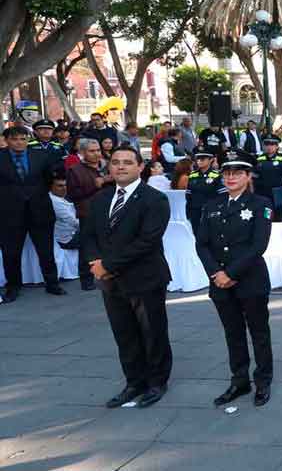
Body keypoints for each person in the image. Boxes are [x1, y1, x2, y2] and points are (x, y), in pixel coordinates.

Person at [80, 145, 172, 408]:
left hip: (145, 278)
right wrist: (95, 262)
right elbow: (88, 235)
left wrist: (107, 264)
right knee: (124, 333)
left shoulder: (155, 199)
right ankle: (134, 382)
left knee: (152, 332)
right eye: (116, 162)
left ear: (140, 167)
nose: (121, 167)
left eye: (127, 162)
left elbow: (147, 241)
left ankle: (156, 382)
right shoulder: (101, 199)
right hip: (110, 282)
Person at [195, 149, 273, 408]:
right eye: (227, 172)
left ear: (248, 175)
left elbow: (258, 246)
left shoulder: (260, 204)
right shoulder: (212, 205)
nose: (230, 177)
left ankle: (263, 381)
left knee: (259, 333)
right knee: (233, 333)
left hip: (249, 280)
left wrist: (231, 273)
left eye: (237, 173)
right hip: (220, 282)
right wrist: (216, 273)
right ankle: (239, 380)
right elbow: (202, 244)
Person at [0, 125, 65, 300]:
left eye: (23, 138)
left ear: (28, 139)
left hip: (40, 210)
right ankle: (13, 287)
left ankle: (52, 283)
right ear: (6, 141)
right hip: (9, 214)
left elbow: (49, 179)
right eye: (15, 139)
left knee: (46, 251)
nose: (20, 142)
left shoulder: (41, 156)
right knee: (11, 253)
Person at [66, 138, 113, 291]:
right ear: (83, 152)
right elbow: (73, 194)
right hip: (88, 212)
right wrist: (95, 185)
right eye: (91, 151)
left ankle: (110, 273)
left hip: (111, 210)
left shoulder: (108, 166)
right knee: (88, 246)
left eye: (98, 150)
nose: (96, 154)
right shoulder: (75, 170)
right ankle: (86, 279)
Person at [252, 136, 282, 221]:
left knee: (280, 218)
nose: (269, 147)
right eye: (267, 145)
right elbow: (254, 179)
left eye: (272, 144)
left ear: (277, 146)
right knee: (266, 217)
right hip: (264, 194)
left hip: (279, 194)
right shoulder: (259, 159)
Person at [185, 147, 223, 230]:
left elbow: (222, 196)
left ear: (210, 160)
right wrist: (189, 212)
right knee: (197, 236)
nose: (199, 161)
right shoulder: (192, 175)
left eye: (202, 159)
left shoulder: (216, 176)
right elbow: (188, 195)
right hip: (195, 212)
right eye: (197, 159)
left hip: (211, 211)